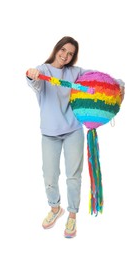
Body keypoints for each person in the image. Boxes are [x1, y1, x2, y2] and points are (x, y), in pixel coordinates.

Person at [26, 36, 125, 239]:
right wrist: (31, 75)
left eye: (70, 53)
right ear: (56, 49)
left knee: (74, 177)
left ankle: (72, 215)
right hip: (49, 133)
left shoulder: (75, 72)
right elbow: (33, 81)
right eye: (63, 50)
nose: (65, 56)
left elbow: (99, 77)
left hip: (73, 130)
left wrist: (119, 83)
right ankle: (55, 209)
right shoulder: (43, 70)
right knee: (49, 176)